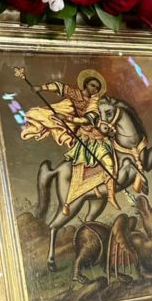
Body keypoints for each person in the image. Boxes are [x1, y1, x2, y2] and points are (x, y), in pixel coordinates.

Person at [21, 69, 120, 212]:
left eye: (97, 88)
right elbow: (59, 87)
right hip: (84, 137)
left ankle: (110, 195)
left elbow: (89, 119)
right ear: (85, 84)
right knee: (81, 171)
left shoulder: (94, 101)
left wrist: (68, 118)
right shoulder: (74, 94)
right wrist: (41, 88)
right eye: (92, 85)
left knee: (111, 163)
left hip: (97, 135)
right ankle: (69, 201)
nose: (95, 89)